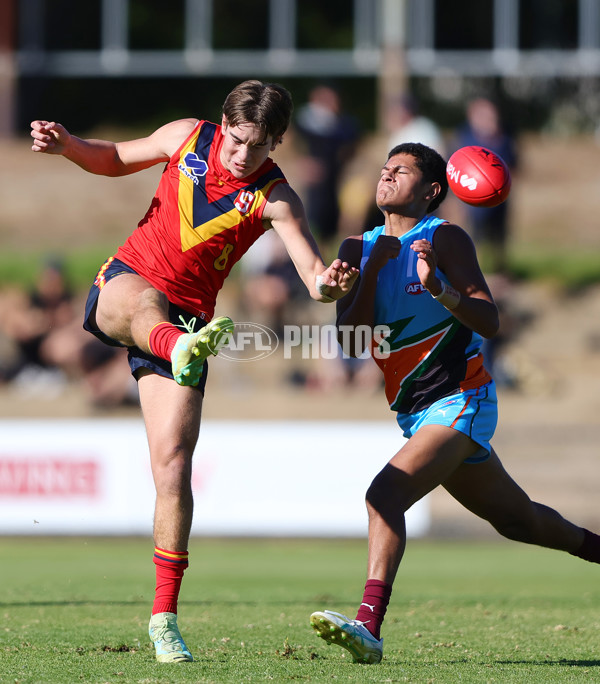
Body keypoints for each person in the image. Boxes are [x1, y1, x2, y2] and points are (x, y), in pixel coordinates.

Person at [30, 80, 358, 664]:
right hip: (125, 284)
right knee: (141, 303)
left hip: (189, 327)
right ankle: (174, 345)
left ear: (276, 142)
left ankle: (164, 619)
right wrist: (69, 146)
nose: (241, 155)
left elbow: (311, 273)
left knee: (174, 465)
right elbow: (114, 158)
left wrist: (328, 285)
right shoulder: (187, 138)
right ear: (221, 125)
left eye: (257, 147)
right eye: (235, 140)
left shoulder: (276, 198)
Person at [309, 142, 600, 664]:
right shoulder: (356, 248)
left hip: (461, 397)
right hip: (415, 412)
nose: (387, 175)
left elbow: (490, 321)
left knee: (384, 496)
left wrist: (440, 289)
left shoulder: (443, 238)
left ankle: (369, 626)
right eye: (384, 168)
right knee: (519, 522)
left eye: (402, 171)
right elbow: (351, 341)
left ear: (432, 191)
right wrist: (371, 270)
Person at [453, 97, 518, 274]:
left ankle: (501, 272)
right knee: (474, 238)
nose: (490, 118)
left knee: (499, 239)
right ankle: (475, 273)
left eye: (492, 114)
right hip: (473, 202)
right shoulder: (464, 137)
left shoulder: (504, 137)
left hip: (499, 199)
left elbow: (515, 165)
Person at [294, 84, 360, 247]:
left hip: (334, 184)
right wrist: (302, 163)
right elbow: (287, 148)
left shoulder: (344, 126)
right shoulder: (300, 124)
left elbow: (352, 149)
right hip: (310, 188)